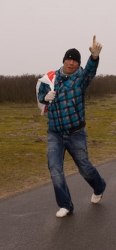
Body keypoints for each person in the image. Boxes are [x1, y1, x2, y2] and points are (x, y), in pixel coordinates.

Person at [37, 36, 106, 218]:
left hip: (76, 133)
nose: (71, 62)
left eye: (75, 60)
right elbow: (40, 96)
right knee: (55, 168)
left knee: (84, 167)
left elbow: (90, 72)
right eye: (69, 59)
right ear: (63, 61)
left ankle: (99, 186)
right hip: (55, 134)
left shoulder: (80, 80)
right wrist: (45, 98)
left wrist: (94, 58)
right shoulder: (51, 79)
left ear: (78, 64)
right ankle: (65, 205)